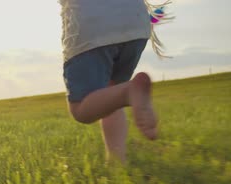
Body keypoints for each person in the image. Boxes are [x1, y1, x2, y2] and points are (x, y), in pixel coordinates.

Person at [59, 0, 159, 162]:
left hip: (93, 27)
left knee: (81, 108)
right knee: (111, 94)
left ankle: (128, 92)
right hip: (136, 23)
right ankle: (116, 161)